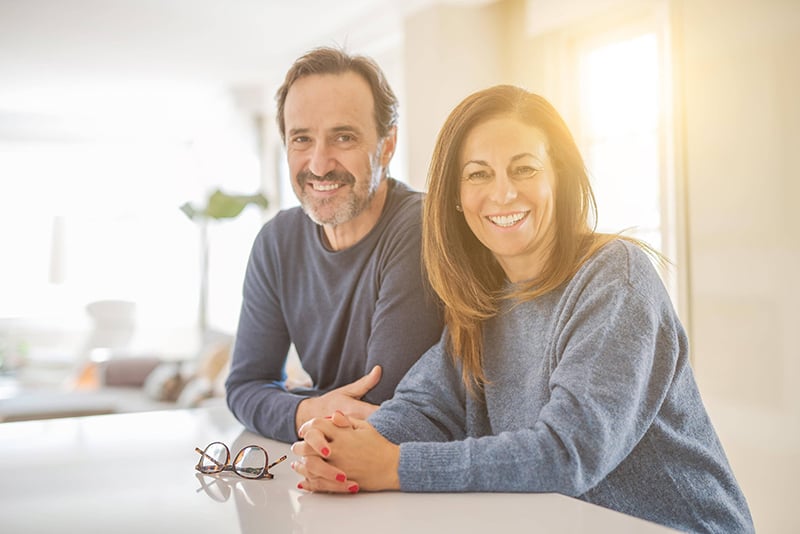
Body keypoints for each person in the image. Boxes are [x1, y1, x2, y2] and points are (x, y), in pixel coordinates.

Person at [291, 85, 755, 532]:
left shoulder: (615, 277)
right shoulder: (484, 299)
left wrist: (394, 465)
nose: (504, 193)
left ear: (559, 176)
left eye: (525, 169)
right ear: (455, 196)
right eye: (478, 174)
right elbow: (427, 407)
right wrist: (345, 446)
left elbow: (567, 452)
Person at [225, 47, 444, 443]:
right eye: (302, 139)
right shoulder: (277, 241)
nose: (319, 164)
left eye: (343, 137)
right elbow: (244, 386)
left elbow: (383, 406)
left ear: (387, 144)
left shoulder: (421, 226)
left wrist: (290, 406)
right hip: (329, 474)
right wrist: (307, 410)